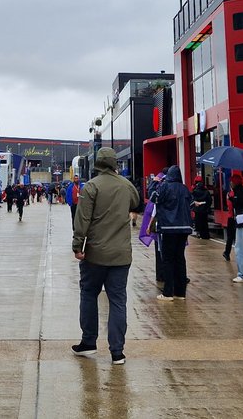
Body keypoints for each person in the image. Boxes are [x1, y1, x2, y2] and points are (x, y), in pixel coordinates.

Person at [71, 147, 141, 365]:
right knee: (118, 300)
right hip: (121, 254)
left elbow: (82, 219)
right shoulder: (125, 186)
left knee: (89, 293)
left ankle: (89, 342)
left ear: (98, 164)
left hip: (95, 253)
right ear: (114, 164)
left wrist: (77, 245)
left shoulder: (91, 186)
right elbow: (135, 202)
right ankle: (117, 352)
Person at [152, 165, 193, 301]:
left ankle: (168, 292)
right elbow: (191, 204)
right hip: (184, 228)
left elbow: (154, 198)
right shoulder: (185, 188)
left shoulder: (164, 187)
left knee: (168, 260)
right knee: (180, 259)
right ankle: (180, 292)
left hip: (169, 228)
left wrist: (156, 182)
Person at [190, 175, 211, 240]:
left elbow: (192, 200)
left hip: (197, 209)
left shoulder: (194, 190)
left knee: (198, 222)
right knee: (205, 222)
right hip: (204, 209)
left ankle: (199, 234)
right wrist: (206, 207)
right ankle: (206, 235)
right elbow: (209, 200)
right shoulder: (206, 191)